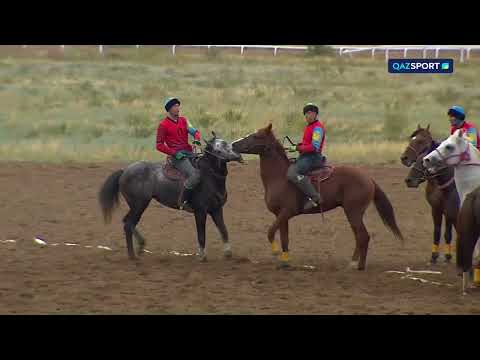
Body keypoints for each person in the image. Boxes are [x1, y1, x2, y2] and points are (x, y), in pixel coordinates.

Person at [156, 97, 202, 211]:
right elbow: (159, 145)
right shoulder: (163, 125)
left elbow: (195, 132)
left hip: (189, 152)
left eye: (178, 105)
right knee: (194, 175)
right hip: (177, 156)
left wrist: (196, 140)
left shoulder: (184, 120)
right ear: (169, 109)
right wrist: (174, 153)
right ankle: (182, 201)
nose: (177, 108)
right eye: (174, 106)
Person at [286, 103, 327, 211]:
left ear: (315, 114)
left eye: (310, 113)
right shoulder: (309, 127)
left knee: (292, 173)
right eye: (306, 114)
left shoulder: (317, 128)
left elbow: (314, 147)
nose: (307, 116)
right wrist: (297, 146)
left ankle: (315, 197)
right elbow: (307, 144)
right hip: (306, 156)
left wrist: (297, 149)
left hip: (313, 158)